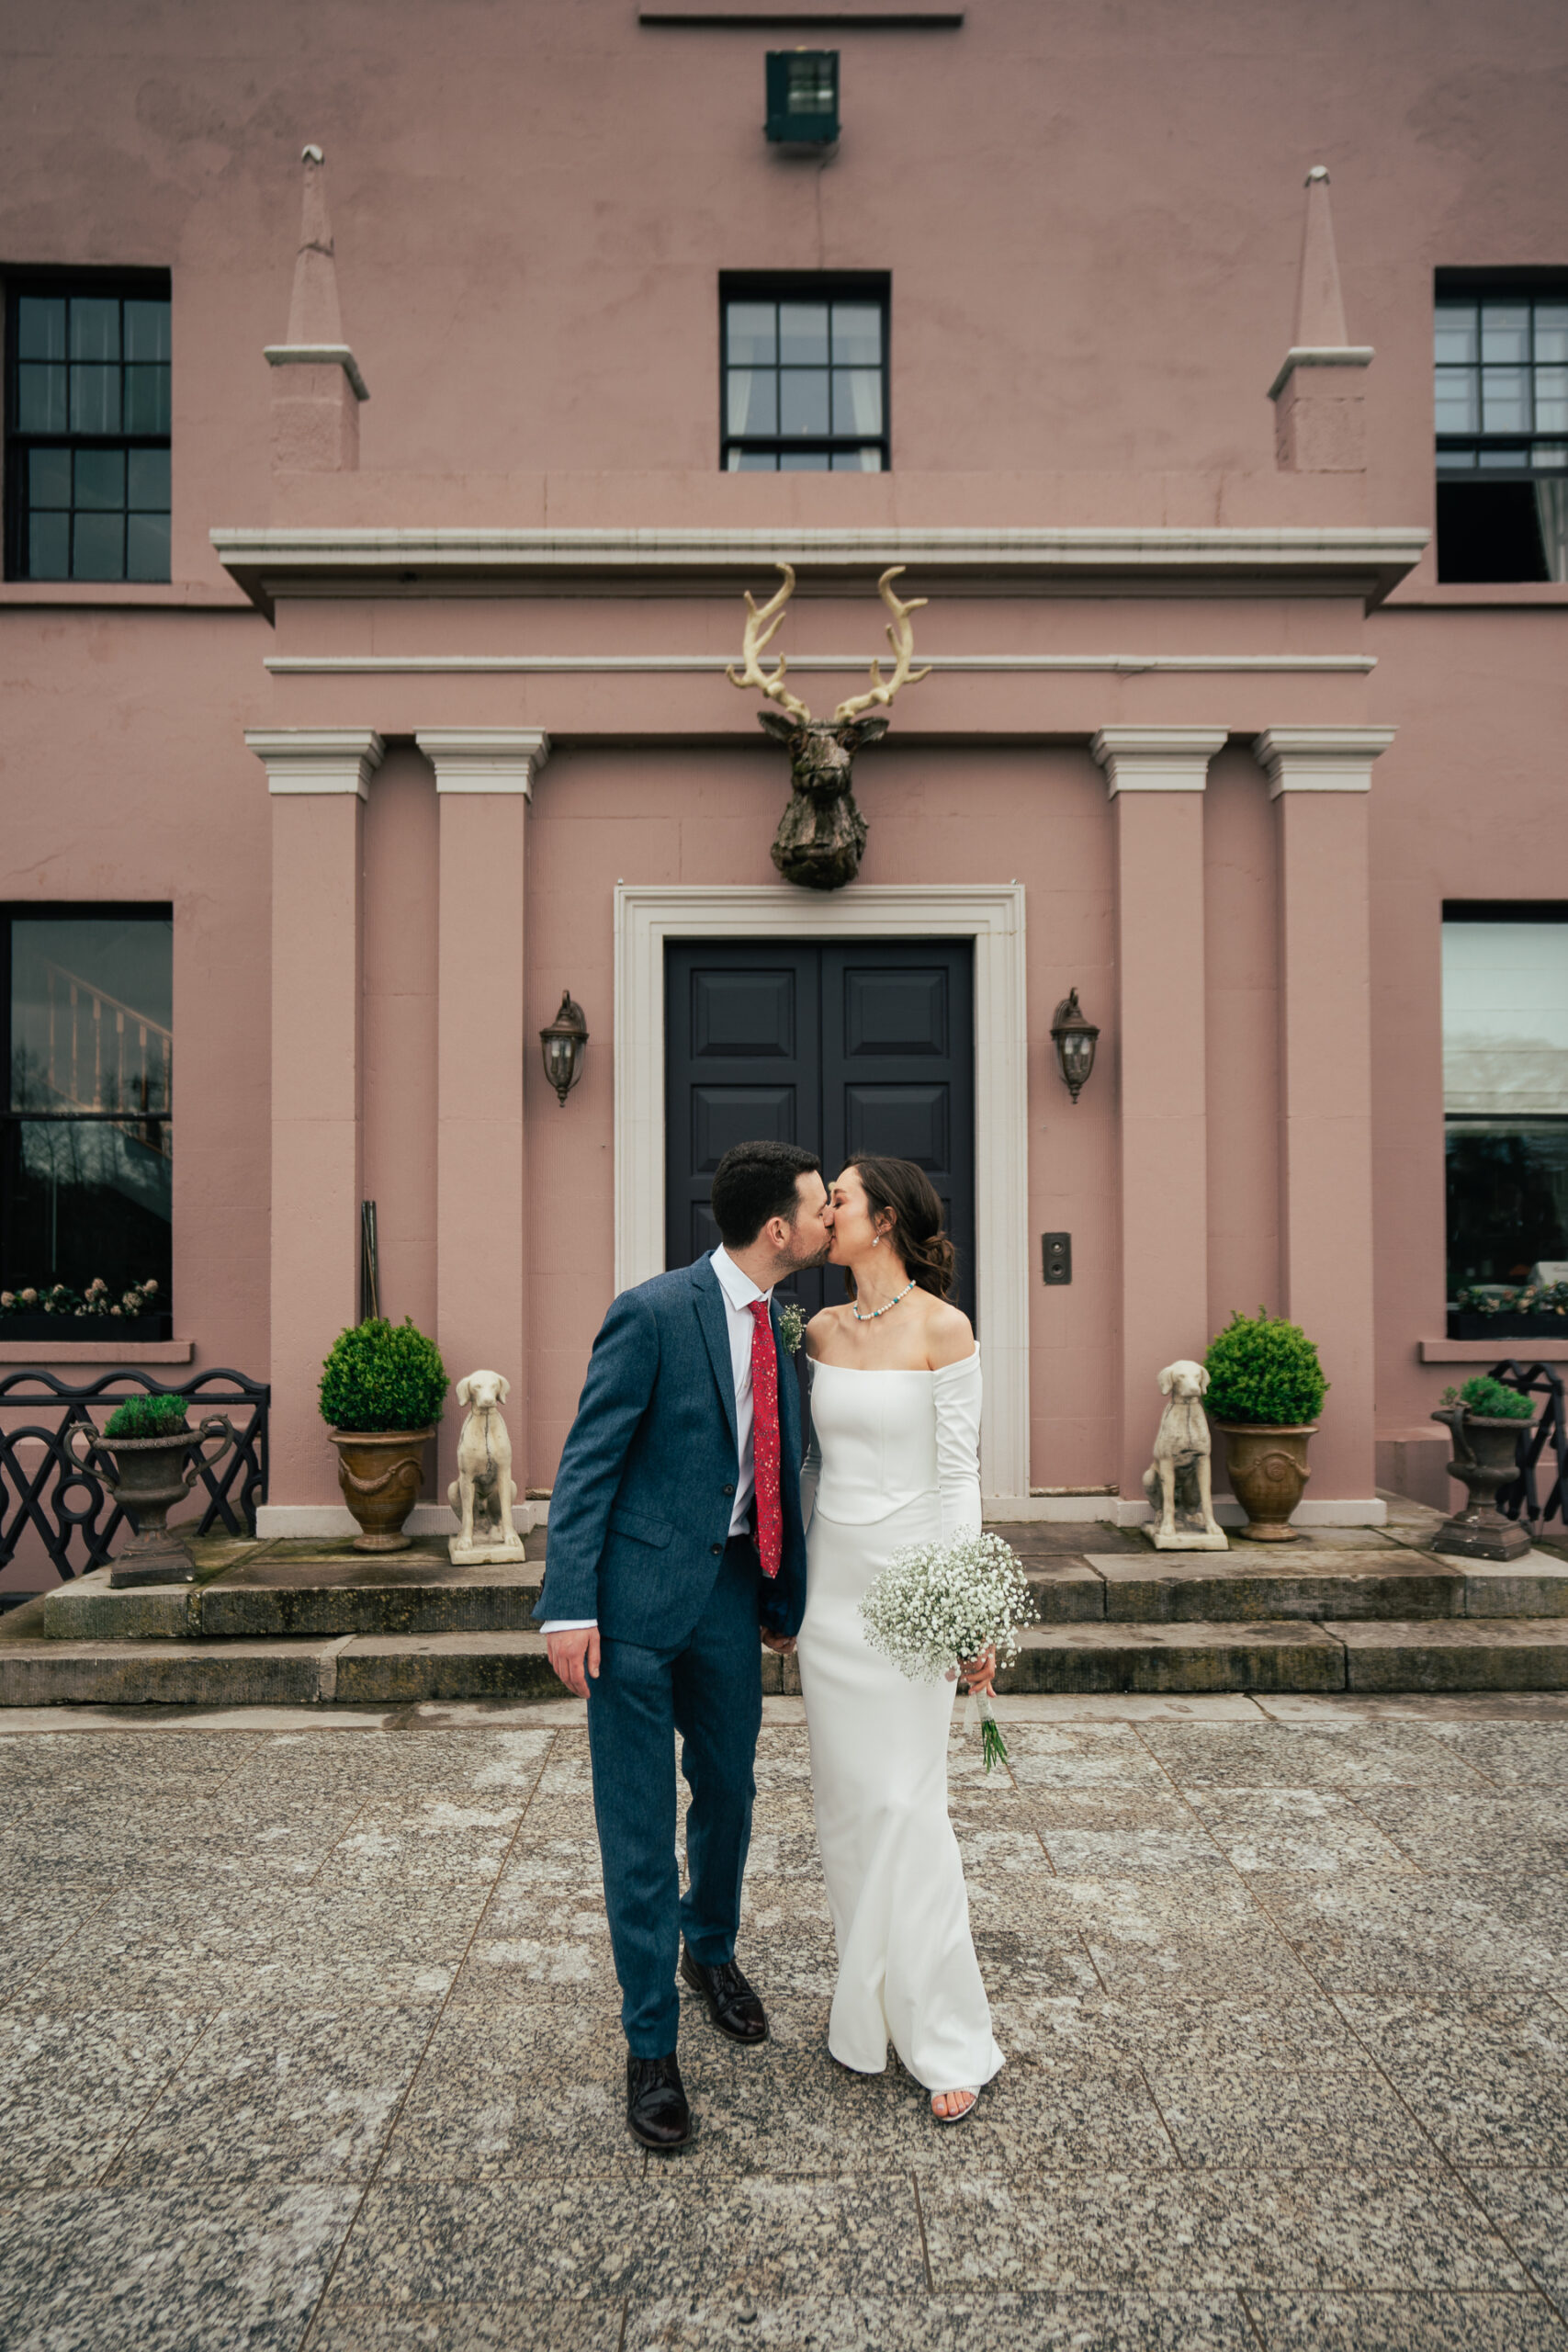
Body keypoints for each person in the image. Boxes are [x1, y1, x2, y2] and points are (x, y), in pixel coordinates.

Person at [535, 1139, 829, 2152]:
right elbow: (589, 1460)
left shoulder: (786, 1328)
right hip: (630, 1608)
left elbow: (780, 1470)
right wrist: (568, 1604)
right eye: (817, 1204)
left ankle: (712, 1952)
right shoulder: (653, 1312)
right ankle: (650, 2044)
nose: (832, 1216)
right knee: (638, 1824)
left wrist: (782, 1597)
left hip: (732, 1596)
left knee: (732, 1790)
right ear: (778, 1228)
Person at [794, 1155, 1005, 2123]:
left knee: (908, 1804)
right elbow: (802, 1470)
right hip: (834, 1597)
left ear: (883, 1220)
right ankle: (865, 2010)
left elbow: (960, 1475)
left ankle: (948, 2033)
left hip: (913, 1591)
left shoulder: (943, 1326)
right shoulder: (820, 1331)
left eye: (838, 1197)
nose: (823, 1209)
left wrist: (967, 1607)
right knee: (847, 1808)